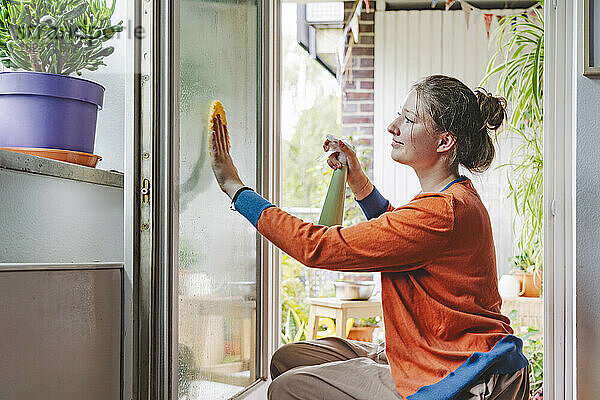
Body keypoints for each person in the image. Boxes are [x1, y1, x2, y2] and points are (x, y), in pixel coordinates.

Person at [209, 75, 530, 400]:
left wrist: (235, 188)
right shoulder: (452, 198)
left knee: (285, 388)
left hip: (457, 370)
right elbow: (400, 234)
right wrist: (358, 180)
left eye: (409, 119)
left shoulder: (441, 211)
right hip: (434, 349)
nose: (393, 126)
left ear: (444, 142)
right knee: (287, 359)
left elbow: (315, 247)